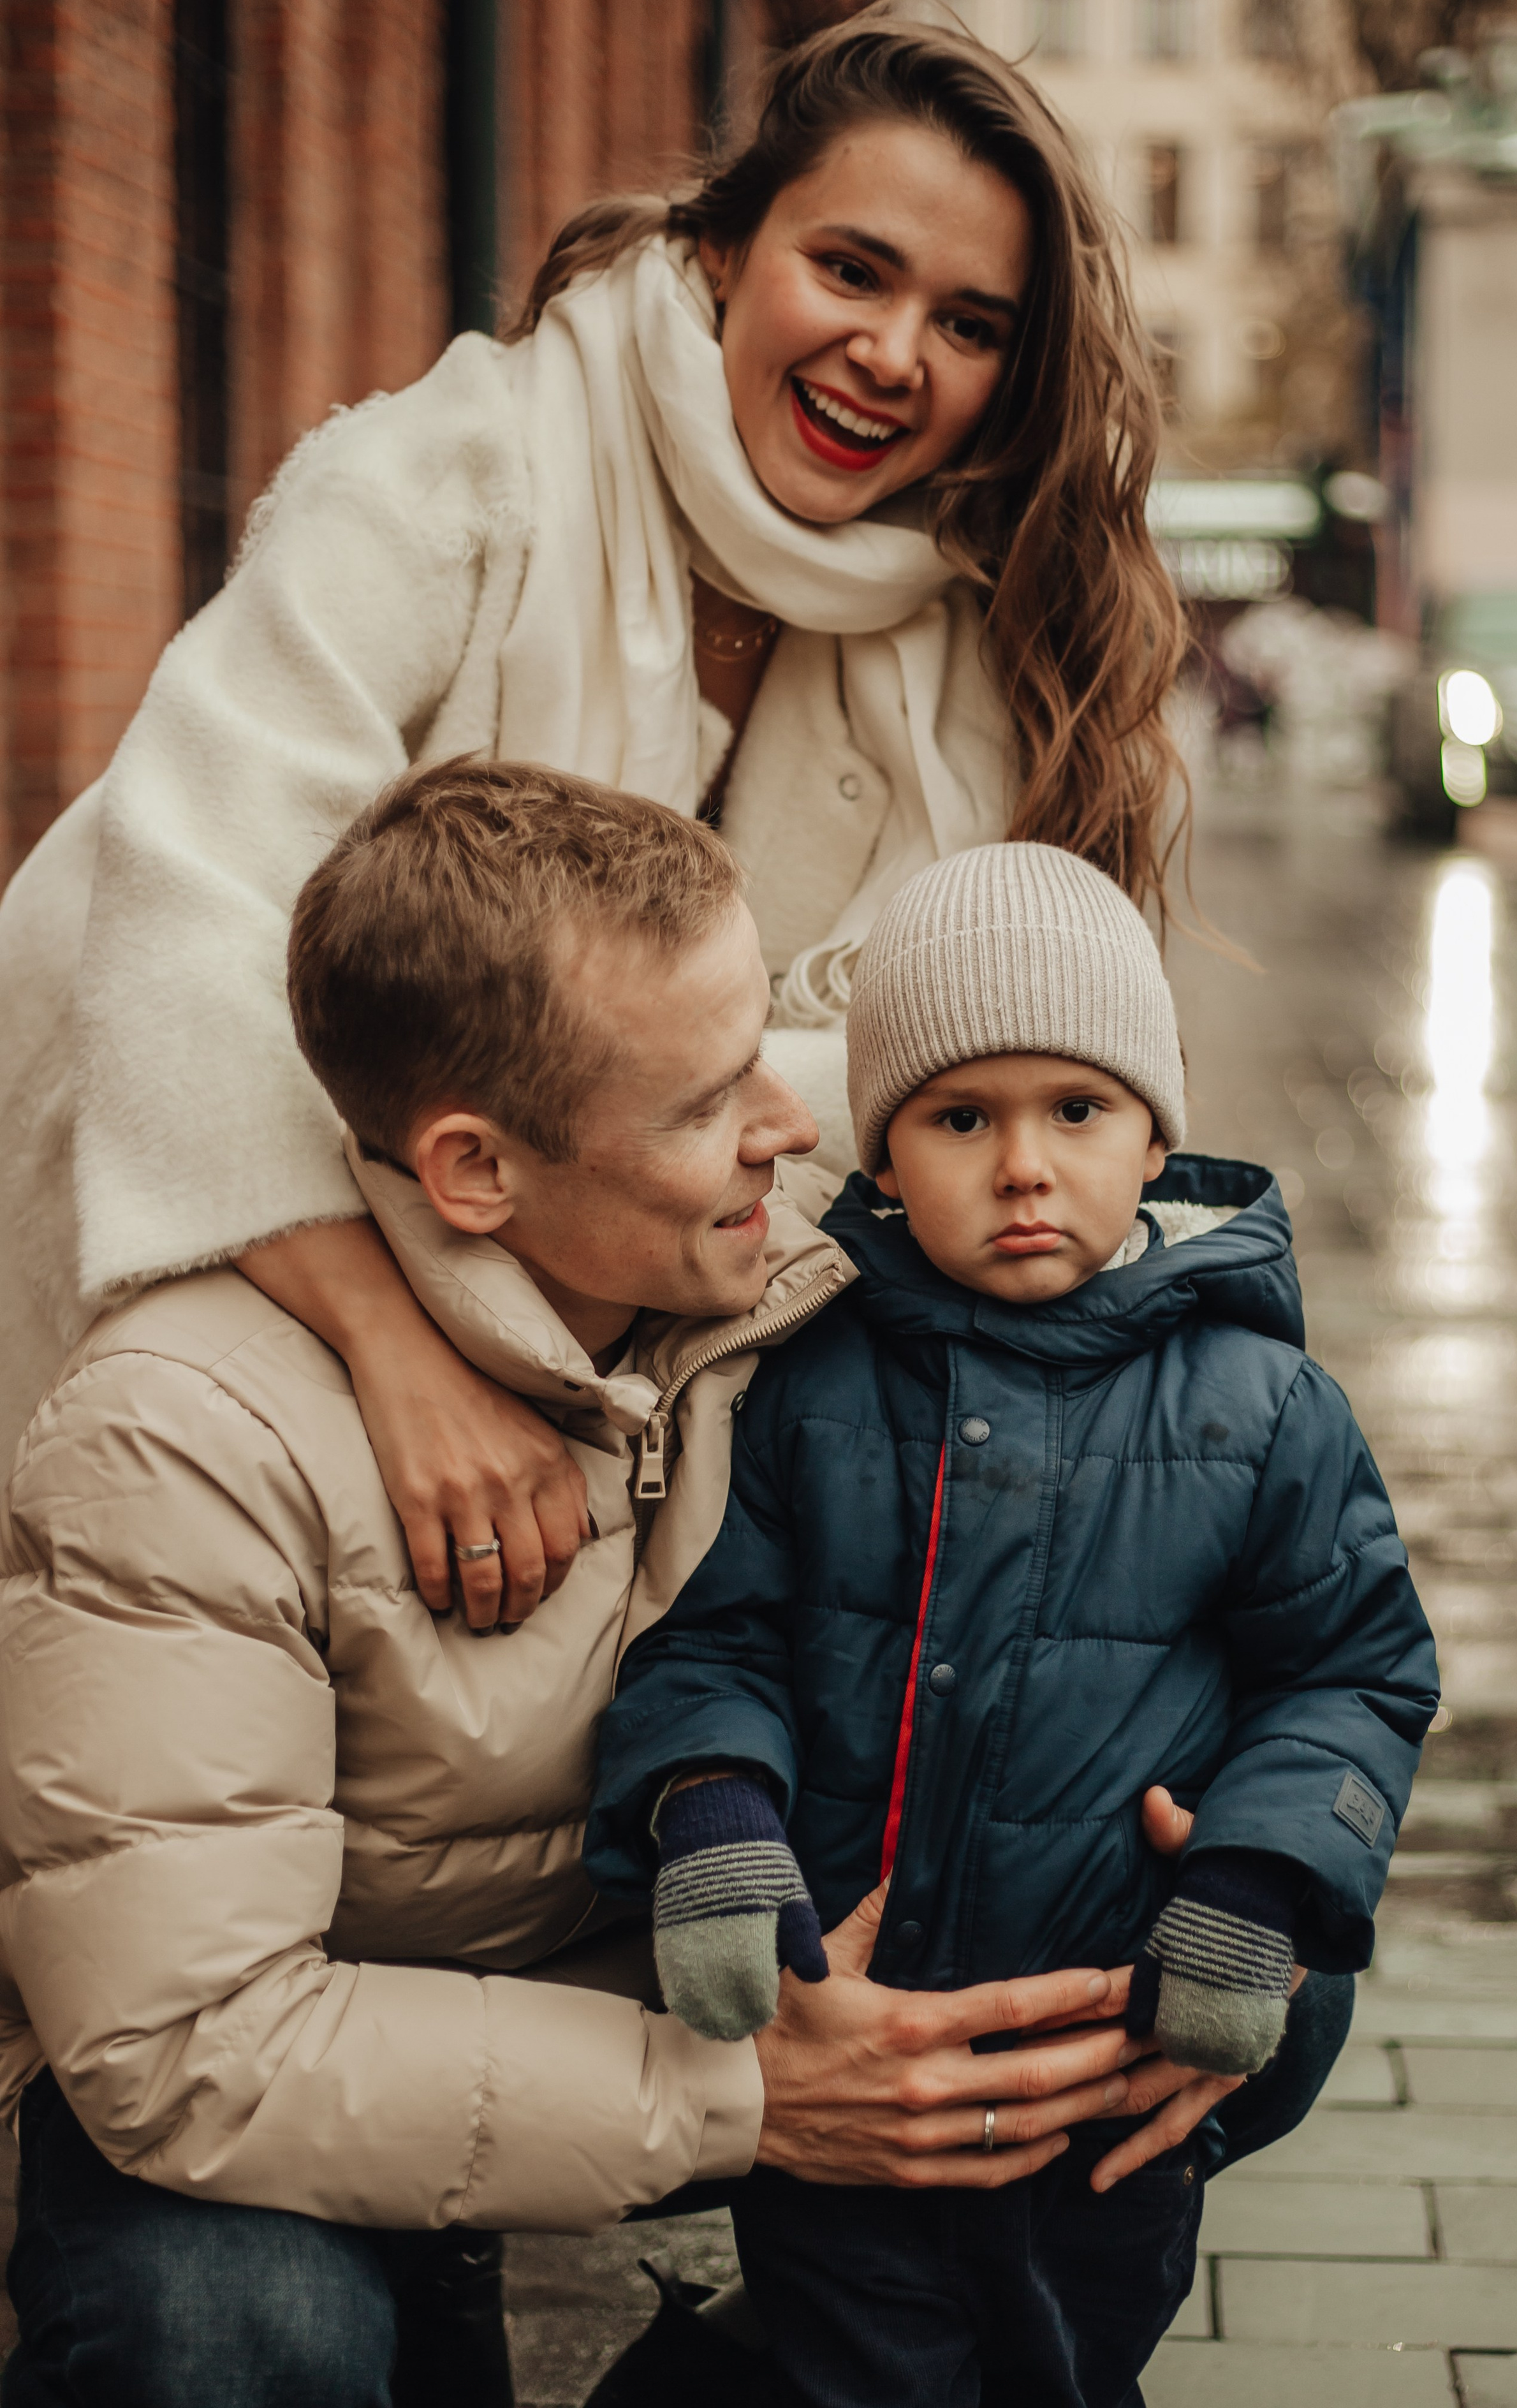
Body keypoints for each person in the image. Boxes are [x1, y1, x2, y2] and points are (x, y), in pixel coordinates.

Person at [0, 770, 1226, 2406]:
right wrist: (752, 2105)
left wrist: (1239, 1921)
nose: (788, 1133)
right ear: (475, 1172)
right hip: (266, 2072)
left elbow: (1201, 1515)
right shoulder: (179, 1440)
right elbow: (185, 2049)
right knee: (230, 2343)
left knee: (1014, 2170)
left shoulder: (803, 1275)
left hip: (649, 1971)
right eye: (709, 1101)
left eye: (767, 1060)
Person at [0, 6, 1187, 1647]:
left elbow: (947, 1093)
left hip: (608, 1374)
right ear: (717, 251)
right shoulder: (455, 474)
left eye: (968, 323)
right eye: (850, 271)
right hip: (227, 1246)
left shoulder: (964, 647)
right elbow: (191, 912)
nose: (895, 354)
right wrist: (393, 1352)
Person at [587, 843, 1440, 2407]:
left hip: (1110, 2043)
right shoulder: (815, 1383)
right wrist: (711, 1813)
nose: (1023, 1165)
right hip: (856, 2022)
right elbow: (718, 1634)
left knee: (1065, 2362)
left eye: (1076, 1110)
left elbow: (1348, 1674)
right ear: (888, 1151)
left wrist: (1254, 1882)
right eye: (961, 1117)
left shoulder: (1259, 1408)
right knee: (855, 2360)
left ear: (1154, 1131)